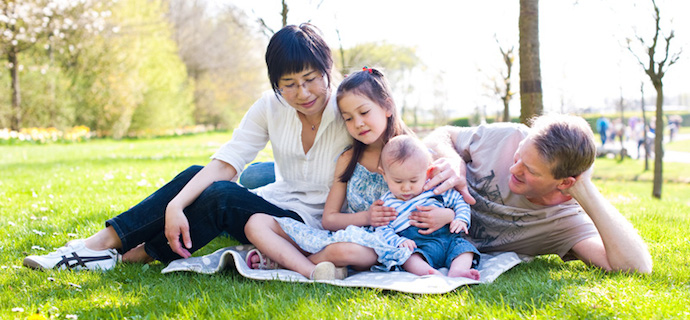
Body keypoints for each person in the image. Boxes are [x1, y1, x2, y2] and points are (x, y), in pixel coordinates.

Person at [22, 23, 354, 271]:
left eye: (311, 79)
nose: (303, 93)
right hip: (278, 205)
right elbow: (228, 161)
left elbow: (394, 146)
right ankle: (100, 245)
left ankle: (132, 254)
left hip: (315, 224)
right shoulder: (271, 106)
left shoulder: (349, 107)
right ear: (275, 83)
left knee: (221, 197)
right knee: (201, 176)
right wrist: (175, 206)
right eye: (289, 85)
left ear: (328, 70)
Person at [245, 67, 455, 279]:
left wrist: (448, 215)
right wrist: (367, 217)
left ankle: (288, 265)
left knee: (344, 250)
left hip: (381, 246)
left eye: (364, 113)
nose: (358, 124)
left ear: (387, 107)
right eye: (348, 118)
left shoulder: (416, 156)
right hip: (350, 235)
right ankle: (315, 269)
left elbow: (449, 200)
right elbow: (330, 219)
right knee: (256, 222)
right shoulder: (348, 159)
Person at [420, 114, 653, 274]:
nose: (514, 169)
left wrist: (586, 189)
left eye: (529, 170)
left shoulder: (565, 221)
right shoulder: (508, 136)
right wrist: (453, 159)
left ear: (565, 183)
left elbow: (636, 267)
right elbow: (440, 135)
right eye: (519, 155)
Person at [375, 135, 480, 279]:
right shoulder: (387, 203)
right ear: (385, 175)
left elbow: (459, 201)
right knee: (407, 257)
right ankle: (428, 273)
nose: (406, 188)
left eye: (413, 180)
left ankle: (458, 270)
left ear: (427, 172)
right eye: (398, 181)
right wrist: (399, 241)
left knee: (465, 249)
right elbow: (382, 229)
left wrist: (461, 219)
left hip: (449, 239)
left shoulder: (434, 189)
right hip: (418, 246)